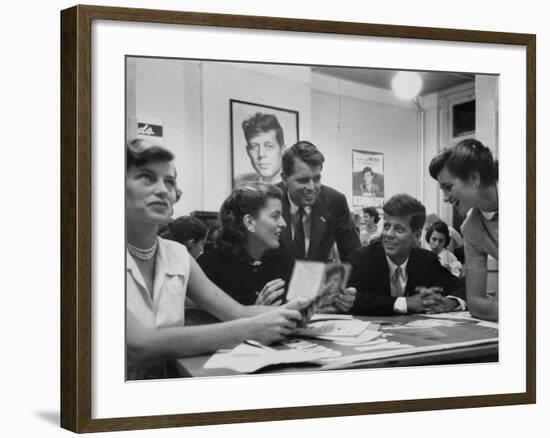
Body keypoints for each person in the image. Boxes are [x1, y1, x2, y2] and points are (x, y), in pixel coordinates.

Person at [125, 138, 306, 380]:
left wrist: (292, 312)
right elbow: (138, 345)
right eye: (147, 177)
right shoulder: (89, 255)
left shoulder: (178, 255)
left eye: (169, 181)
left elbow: (237, 312)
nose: (162, 189)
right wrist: (250, 330)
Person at [347, 194, 466, 316]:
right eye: (386, 226)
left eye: (399, 229)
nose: (388, 234)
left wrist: (450, 302)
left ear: (416, 236)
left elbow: (463, 288)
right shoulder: (362, 258)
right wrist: (405, 303)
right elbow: (348, 300)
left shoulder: (426, 261)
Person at [429, 139, 498, 321]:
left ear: (474, 178)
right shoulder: (471, 228)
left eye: (448, 187)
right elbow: (475, 303)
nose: (444, 198)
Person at [198, 182, 293, 306]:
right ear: (249, 222)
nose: (283, 223)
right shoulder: (210, 266)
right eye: (275, 216)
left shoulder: (284, 261)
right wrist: (255, 313)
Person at [277, 141, 360, 263]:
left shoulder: (335, 201)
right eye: (303, 180)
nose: (311, 187)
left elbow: (353, 255)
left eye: (316, 179)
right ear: (285, 178)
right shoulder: (269, 200)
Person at [234, 113, 285, 186]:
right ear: (248, 152)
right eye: (254, 147)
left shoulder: (299, 188)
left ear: (283, 150)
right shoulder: (240, 184)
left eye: (269, 146)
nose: (261, 154)